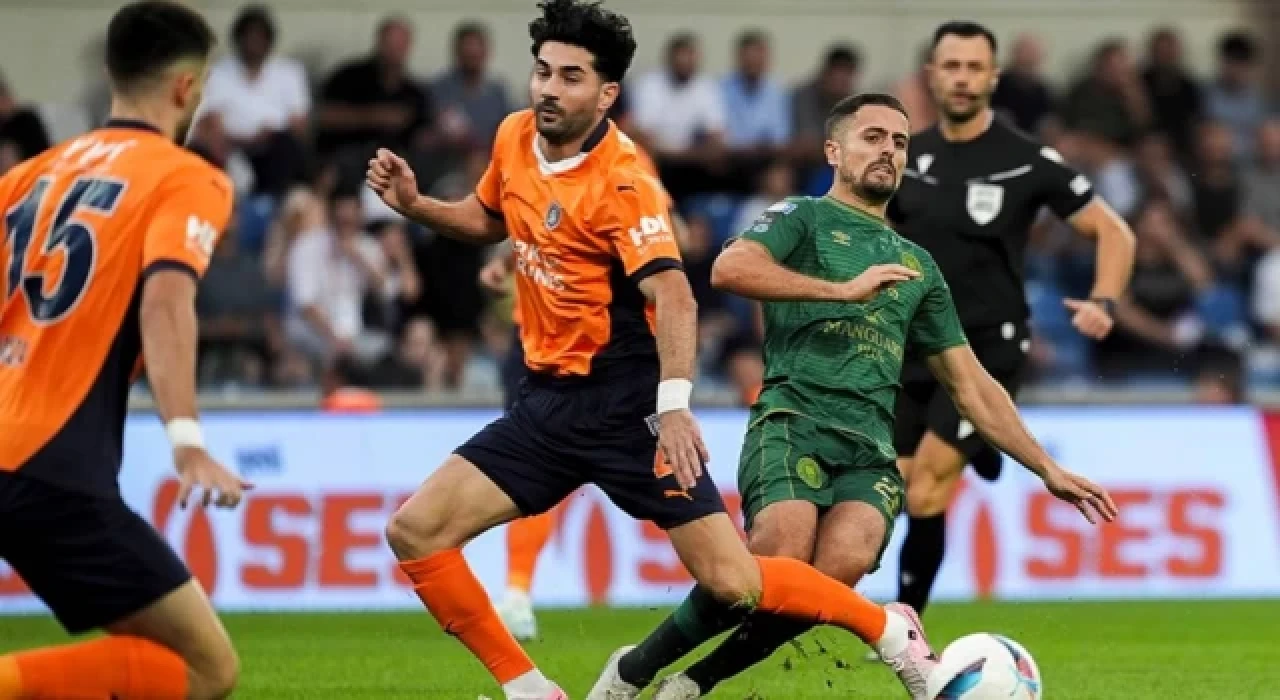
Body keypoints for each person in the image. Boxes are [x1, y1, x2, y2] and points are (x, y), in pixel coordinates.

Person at [367, 3, 980, 699]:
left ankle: (886, 630)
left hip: (628, 409)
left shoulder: (625, 182)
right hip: (545, 404)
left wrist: (675, 408)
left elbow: (677, 295)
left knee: (736, 583)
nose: (548, 89)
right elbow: (488, 216)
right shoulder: (514, 135)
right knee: (415, 531)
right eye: (543, 72)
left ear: (606, 94)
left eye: (570, 77)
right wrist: (417, 205)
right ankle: (531, 690)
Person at [590, 93, 1119, 700]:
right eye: (872, 137)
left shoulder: (917, 266)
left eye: (899, 142)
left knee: (833, 575)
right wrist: (841, 291)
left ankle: (692, 682)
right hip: (794, 420)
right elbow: (729, 269)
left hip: (871, 447)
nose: (888, 150)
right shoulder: (801, 217)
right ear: (834, 151)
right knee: (774, 561)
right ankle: (633, 669)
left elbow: (970, 383)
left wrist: (1046, 467)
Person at [0, 2, 249, 698]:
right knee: (206, 668)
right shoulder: (184, 177)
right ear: (185, 87)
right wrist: (187, 440)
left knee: (152, 657)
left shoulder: (26, 178)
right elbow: (166, 301)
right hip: (51, 465)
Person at [888, 21, 1136, 622]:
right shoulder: (903, 155)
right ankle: (983, 447)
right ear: (931, 75)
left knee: (926, 485)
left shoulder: (1025, 159)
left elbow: (1114, 231)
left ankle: (905, 629)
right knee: (891, 488)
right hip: (910, 347)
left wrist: (1103, 301)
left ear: (993, 77)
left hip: (986, 348)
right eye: (952, 66)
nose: (963, 78)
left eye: (974, 67)